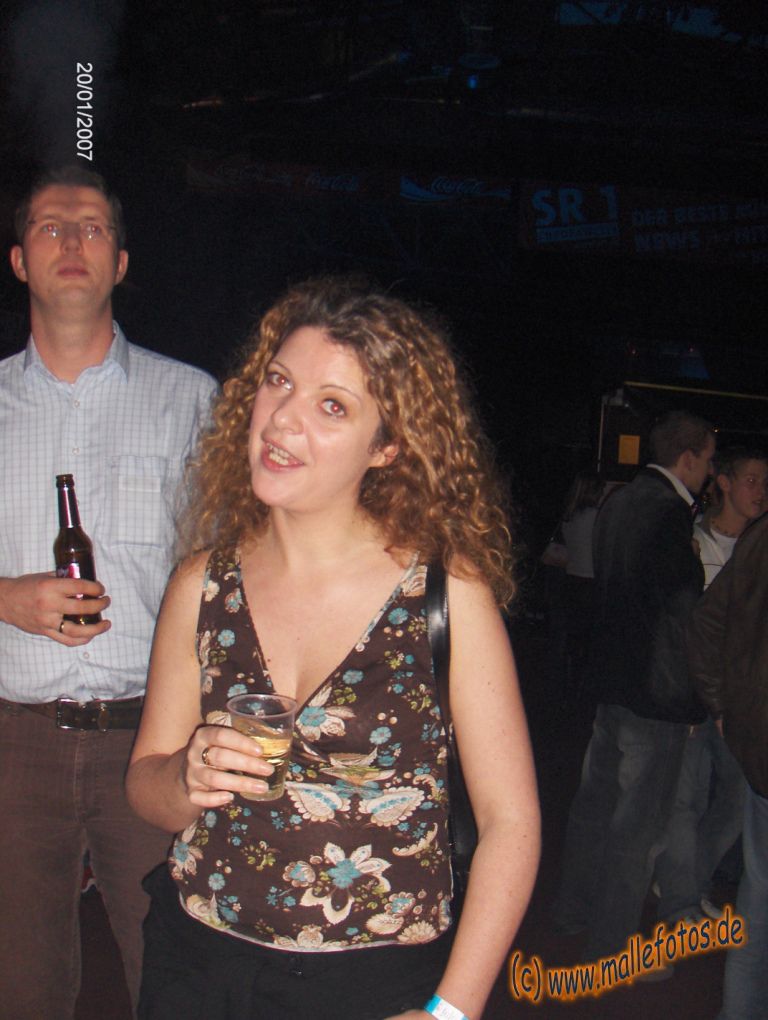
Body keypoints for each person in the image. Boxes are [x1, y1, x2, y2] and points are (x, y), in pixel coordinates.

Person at [126, 276, 540, 1020]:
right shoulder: (202, 584)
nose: (283, 418)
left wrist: (451, 1010)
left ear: (386, 447)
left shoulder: (444, 594)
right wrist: (186, 776)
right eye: (278, 382)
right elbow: (145, 786)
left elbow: (511, 823)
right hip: (198, 962)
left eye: (332, 406)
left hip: (373, 983)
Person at [0, 165, 217, 1019]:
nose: (71, 240)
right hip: (14, 742)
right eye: (49, 226)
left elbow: (233, 567)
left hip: (153, 740)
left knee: (171, 974)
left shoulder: (191, 399)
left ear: (121, 262)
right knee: (22, 984)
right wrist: (5, 598)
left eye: (92, 226)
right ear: (19, 260)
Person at [553, 410, 714, 961]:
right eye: (707, 459)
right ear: (687, 458)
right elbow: (681, 613)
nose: (708, 472)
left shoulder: (619, 501)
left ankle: (571, 910)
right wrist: (694, 700)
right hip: (656, 691)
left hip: (611, 679)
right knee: (637, 828)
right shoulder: (669, 512)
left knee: (594, 808)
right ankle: (610, 946)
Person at [654, 448, 768, 925]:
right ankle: (680, 902)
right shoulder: (693, 541)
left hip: (740, 702)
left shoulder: (758, 548)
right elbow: (685, 625)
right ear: (724, 482)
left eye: (765, 482)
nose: (760, 491)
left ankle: (687, 880)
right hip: (694, 695)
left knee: (737, 800)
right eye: (751, 480)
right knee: (687, 800)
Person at [689, 509, 768, 1019]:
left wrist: (727, 708)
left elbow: (707, 622)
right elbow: (705, 623)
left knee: (758, 905)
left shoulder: (759, 536)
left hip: (758, 749)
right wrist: (724, 707)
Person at [544, 471, 602, 703]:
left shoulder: (569, 518)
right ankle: (582, 690)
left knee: (571, 638)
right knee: (588, 642)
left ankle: (563, 686)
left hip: (571, 581)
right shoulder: (597, 517)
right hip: (591, 583)